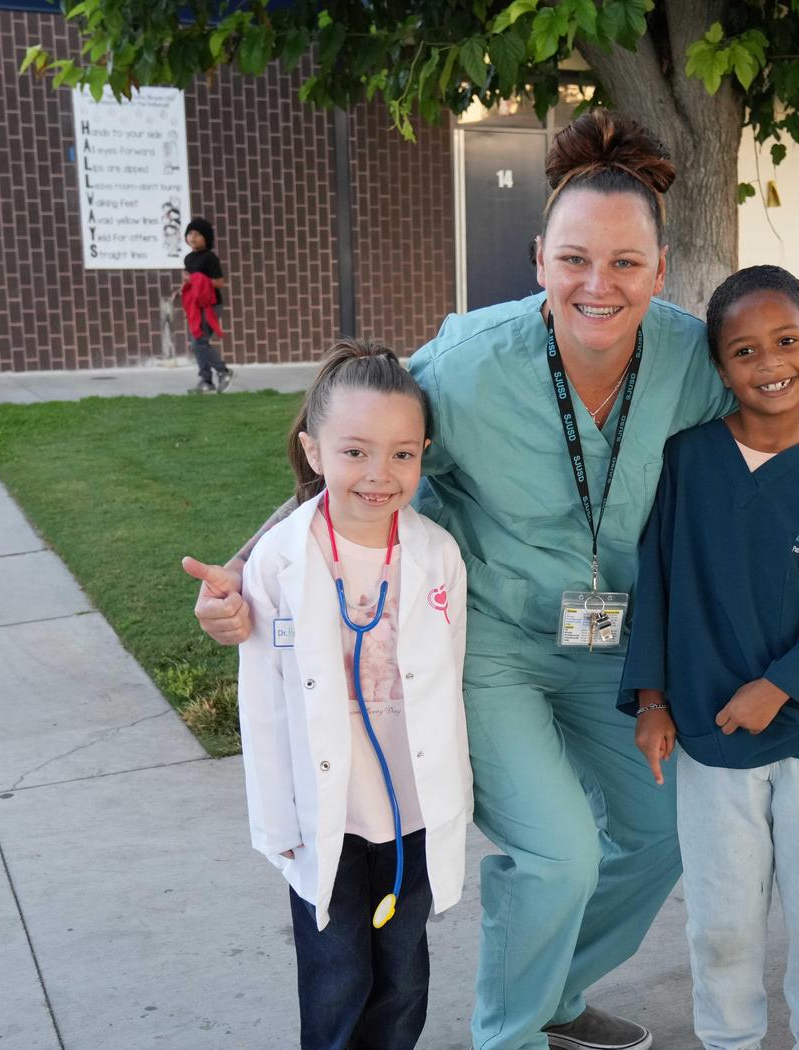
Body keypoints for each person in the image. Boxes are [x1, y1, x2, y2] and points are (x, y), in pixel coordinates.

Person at [183, 109, 799, 1050]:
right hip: (496, 648)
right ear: (539, 260)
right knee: (559, 853)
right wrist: (244, 567)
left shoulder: (693, 361)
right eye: (574, 259)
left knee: (665, 833)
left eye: (625, 263)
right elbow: (351, 449)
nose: (597, 285)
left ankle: (555, 992)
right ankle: (511, 1033)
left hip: (623, 650)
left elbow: (784, 432)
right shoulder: (464, 368)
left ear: (659, 270)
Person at [624, 266, 799, 1049]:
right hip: (714, 735)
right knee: (721, 929)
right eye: (744, 351)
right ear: (720, 366)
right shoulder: (688, 460)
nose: (770, 363)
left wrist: (778, 686)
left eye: (787, 341)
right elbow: (656, 579)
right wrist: (652, 699)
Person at [236, 340, 474, 1049]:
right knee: (337, 980)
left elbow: (450, 683)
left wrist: (454, 797)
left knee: (403, 980)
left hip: (412, 812)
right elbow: (264, 705)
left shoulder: (437, 554)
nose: (379, 474)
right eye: (354, 452)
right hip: (324, 816)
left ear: (424, 453)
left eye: (402, 454)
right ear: (313, 451)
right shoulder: (279, 560)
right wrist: (278, 822)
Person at [182, 217, 233, 391]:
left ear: (206, 237)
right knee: (197, 343)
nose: (193, 237)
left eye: (198, 234)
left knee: (199, 342)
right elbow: (189, 280)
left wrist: (199, 280)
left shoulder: (210, 258)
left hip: (211, 305)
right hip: (196, 306)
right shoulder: (188, 258)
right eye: (190, 233)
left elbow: (220, 282)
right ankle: (206, 381)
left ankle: (223, 371)